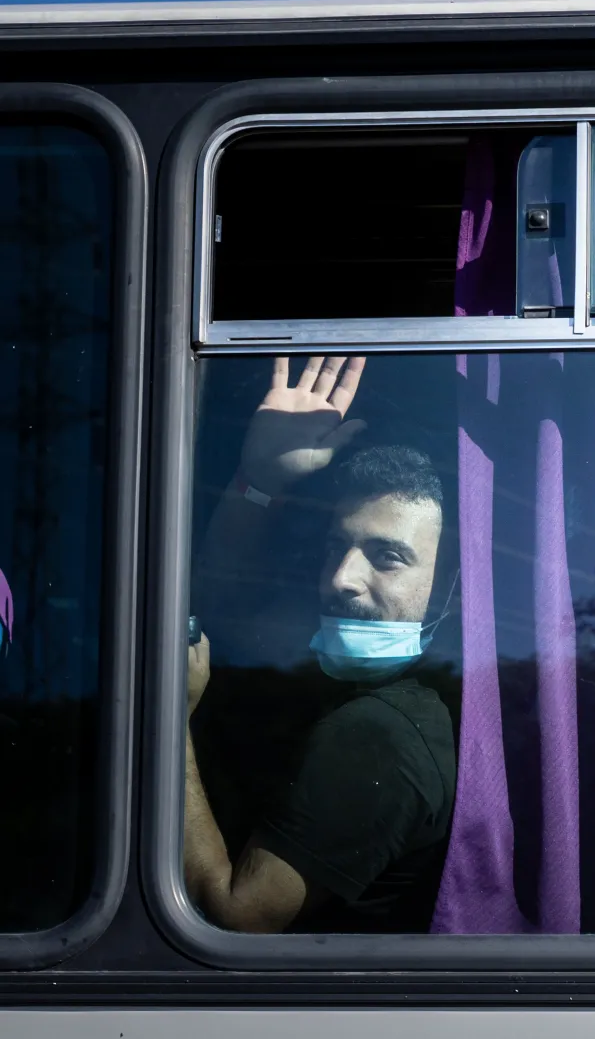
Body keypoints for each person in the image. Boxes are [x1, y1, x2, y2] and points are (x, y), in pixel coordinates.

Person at [184, 356, 457, 934]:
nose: (340, 577)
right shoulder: (369, 691)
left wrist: (169, 723)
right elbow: (224, 613)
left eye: (388, 556)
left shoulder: (379, 733)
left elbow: (233, 921)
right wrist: (260, 480)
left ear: (447, 593)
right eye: (338, 546)